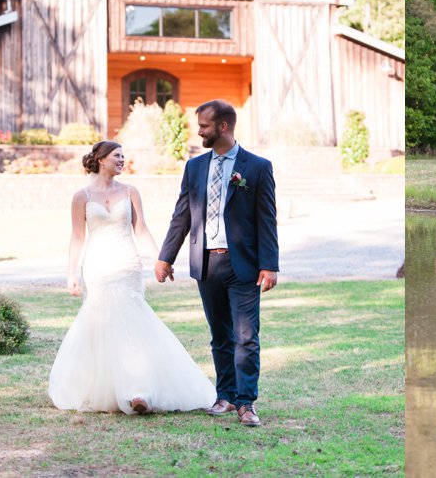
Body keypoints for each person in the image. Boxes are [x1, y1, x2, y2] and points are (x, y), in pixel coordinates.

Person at [49, 140, 216, 415]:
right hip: (98, 267)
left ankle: (139, 390)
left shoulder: (130, 192)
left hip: (127, 264)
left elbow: (141, 230)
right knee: (101, 325)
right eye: (117, 155)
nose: (122, 160)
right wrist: (71, 274)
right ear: (101, 159)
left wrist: (160, 260)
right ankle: (102, 389)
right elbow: (77, 237)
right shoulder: (82, 197)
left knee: (132, 322)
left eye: (123, 156)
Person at [155, 99, 279, 427]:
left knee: (246, 336)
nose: (199, 132)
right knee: (219, 336)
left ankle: (246, 402)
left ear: (223, 127)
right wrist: (166, 257)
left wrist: (270, 264)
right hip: (206, 263)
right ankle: (224, 396)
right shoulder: (194, 168)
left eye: (204, 126)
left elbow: (267, 219)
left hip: (244, 266)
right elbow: (181, 215)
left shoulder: (257, 167)